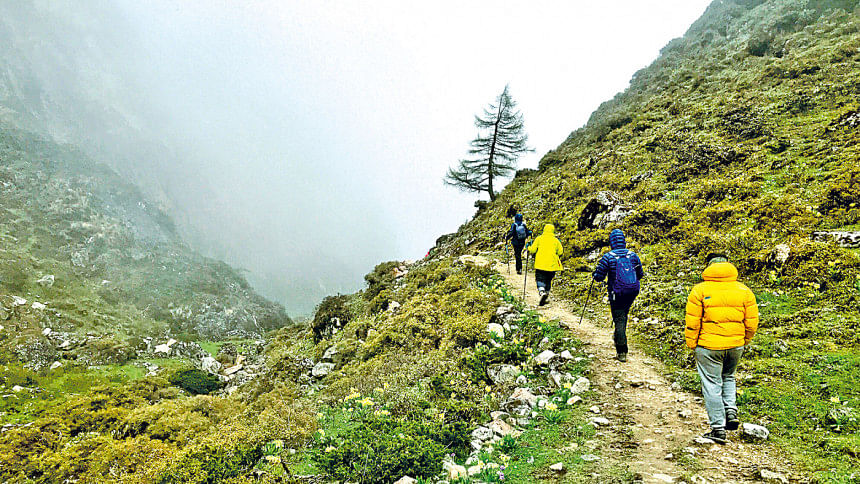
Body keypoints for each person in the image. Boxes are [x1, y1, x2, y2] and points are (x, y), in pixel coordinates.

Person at [685, 253, 758, 445]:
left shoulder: (699, 290)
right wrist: (744, 340)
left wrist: (692, 344)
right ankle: (731, 411)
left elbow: (692, 322)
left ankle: (718, 428)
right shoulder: (744, 290)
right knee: (729, 376)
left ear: (708, 267)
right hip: (735, 345)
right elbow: (752, 323)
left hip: (708, 346)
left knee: (711, 385)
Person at [592, 229, 644, 363]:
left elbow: (599, 277)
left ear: (612, 241)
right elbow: (640, 274)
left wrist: (595, 274)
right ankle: (618, 336)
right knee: (623, 315)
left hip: (617, 292)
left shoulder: (608, 257)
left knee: (619, 318)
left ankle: (621, 350)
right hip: (632, 291)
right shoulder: (632, 255)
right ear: (623, 240)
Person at [527, 224, 563, 306]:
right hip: (552, 265)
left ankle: (542, 292)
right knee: (548, 279)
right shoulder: (556, 240)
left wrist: (528, 247)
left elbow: (532, 250)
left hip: (540, 263)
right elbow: (560, 252)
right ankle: (546, 293)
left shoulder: (539, 238)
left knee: (540, 278)